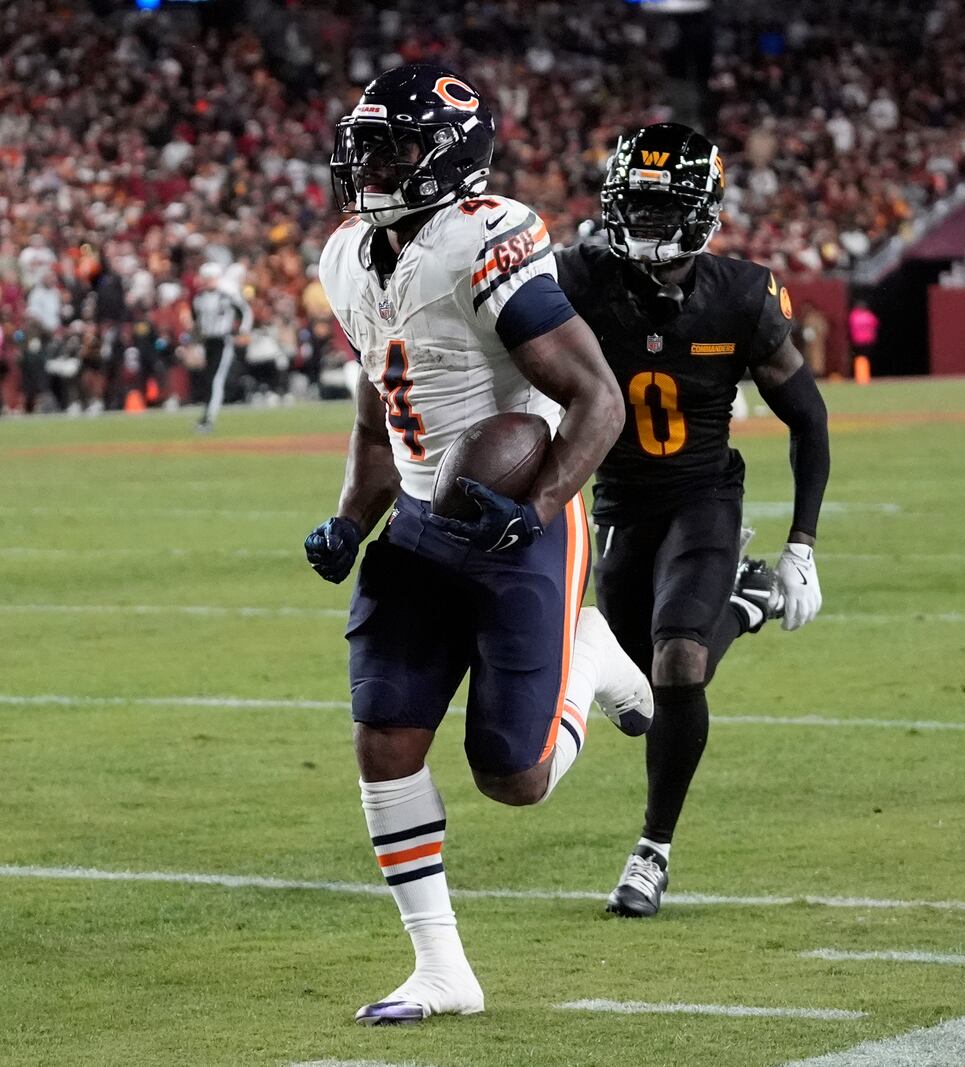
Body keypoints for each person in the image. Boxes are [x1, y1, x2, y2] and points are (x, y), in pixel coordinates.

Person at [300, 63, 652, 1026]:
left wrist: (533, 510)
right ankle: (442, 968)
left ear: (450, 157)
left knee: (514, 775)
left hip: (514, 516)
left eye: (394, 147)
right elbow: (380, 416)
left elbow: (597, 400)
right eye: (363, 144)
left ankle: (590, 652)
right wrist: (350, 516)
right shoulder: (347, 256)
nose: (369, 163)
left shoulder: (484, 239)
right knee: (384, 738)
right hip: (419, 518)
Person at [554, 122, 831, 919]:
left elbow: (807, 419)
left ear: (703, 209)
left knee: (677, 663)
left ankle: (652, 852)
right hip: (620, 504)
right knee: (651, 687)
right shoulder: (579, 277)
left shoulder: (741, 295)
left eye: (659, 206)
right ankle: (743, 603)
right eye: (632, 204)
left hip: (704, 495)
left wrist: (803, 544)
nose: (641, 222)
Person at [190, 262, 252, 431]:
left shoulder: (227, 295)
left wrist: (242, 331)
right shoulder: (199, 298)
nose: (208, 281)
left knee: (215, 379)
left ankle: (208, 418)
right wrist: (195, 343)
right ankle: (207, 415)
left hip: (223, 340)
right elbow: (197, 323)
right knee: (208, 379)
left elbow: (245, 311)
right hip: (207, 341)